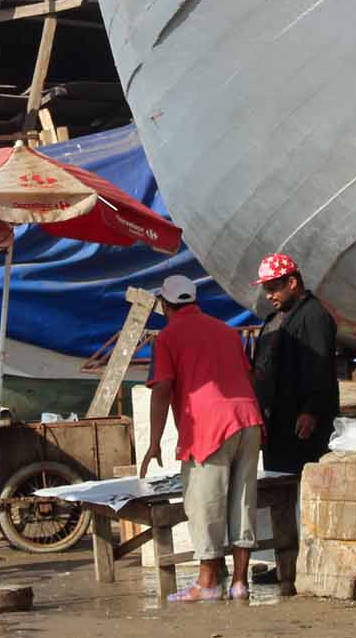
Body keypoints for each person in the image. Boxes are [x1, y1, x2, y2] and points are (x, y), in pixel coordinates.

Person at [141, 275, 265, 603]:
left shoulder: (167, 337)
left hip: (209, 427)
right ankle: (240, 583)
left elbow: (162, 390)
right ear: (194, 301)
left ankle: (207, 582)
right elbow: (247, 375)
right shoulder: (225, 331)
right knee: (242, 501)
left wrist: (154, 441)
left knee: (204, 502)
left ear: (165, 305)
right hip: (248, 419)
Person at [249, 253, 340, 475]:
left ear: (292, 282)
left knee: (300, 484)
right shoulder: (276, 318)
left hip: (301, 425)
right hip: (277, 424)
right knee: (280, 484)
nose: (269, 295)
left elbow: (320, 368)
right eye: (266, 290)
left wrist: (311, 411)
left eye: (273, 288)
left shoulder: (314, 316)